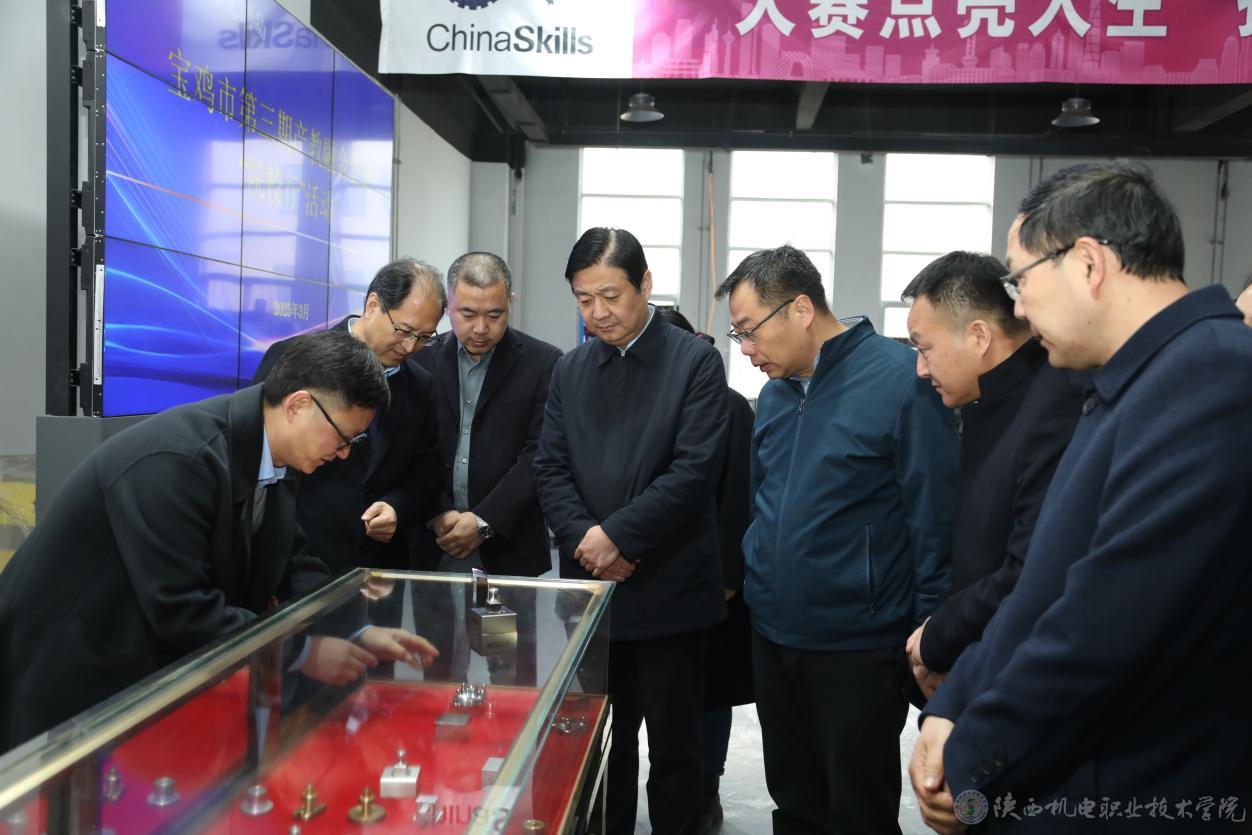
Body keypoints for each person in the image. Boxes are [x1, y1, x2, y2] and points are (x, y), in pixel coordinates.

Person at [910, 161, 1252, 834]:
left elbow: (1107, 628)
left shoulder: (1211, 378)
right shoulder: (1126, 379)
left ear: (1089, 264)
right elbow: (1043, 585)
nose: (1016, 307)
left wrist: (973, 761)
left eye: (1021, 279)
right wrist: (952, 705)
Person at [0, 331, 437, 751]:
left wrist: (355, 630)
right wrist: (303, 651)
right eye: (342, 438)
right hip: (68, 671)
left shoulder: (275, 456)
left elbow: (294, 564)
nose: (344, 454)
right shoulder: (179, 460)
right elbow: (182, 606)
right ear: (298, 405)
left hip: (131, 667)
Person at [717, 245, 958, 835]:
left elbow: (935, 517)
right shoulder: (775, 393)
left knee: (857, 809)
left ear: (801, 309)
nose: (744, 349)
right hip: (773, 635)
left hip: (857, 644)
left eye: (749, 330)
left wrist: (932, 634)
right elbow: (760, 500)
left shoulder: (901, 382)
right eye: (737, 334)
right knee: (793, 800)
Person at [535, 228, 728, 835]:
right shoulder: (570, 369)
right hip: (593, 598)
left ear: (645, 284)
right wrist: (587, 540)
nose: (597, 313)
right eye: (583, 299)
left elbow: (694, 472)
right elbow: (550, 468)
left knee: (675, 750)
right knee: (597, 747)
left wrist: (616, 537)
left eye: (610, 296)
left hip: (671, 592)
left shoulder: (695, 361)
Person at [900, 251, 1083, 700]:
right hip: (979, 654)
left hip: (1026, 674)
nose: (921, 370)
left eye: (924, 348)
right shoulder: (987, 401)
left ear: (979, 335)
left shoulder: (1055, 411)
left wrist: (939, 636)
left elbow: (1031, 571)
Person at [412, 252, 562, 685]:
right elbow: (411, 450)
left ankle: (506, 733)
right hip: (437, 542)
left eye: (494, 315)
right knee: (437, 667)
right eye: (468, 314)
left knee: (508, 668)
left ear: (510, 302)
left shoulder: (542, 362)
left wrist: (482, 521)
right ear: (448, 305)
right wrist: (439, 512)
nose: (481, 328)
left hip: (504, 548)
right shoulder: (421, 358)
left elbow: (538, 454)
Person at [251, 258, 444, 576]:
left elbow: (429, 470)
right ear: (373, 305)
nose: (411, 346)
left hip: (381, 569)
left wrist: (398, 507)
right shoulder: (296, 358)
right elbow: (258, 458)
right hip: (296, 561)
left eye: (425, 337)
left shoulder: (421, 385)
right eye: (404, 331)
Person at [656, 307, 755, 834]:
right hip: (648, 578)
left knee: (710, 689)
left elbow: (740, 495)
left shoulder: (731, 407)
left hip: (712, 579)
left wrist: (728, 577)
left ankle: (707, 784)